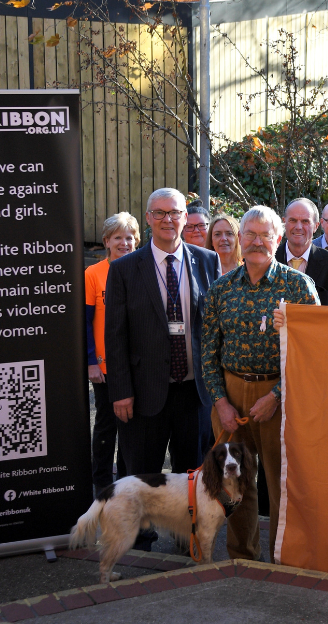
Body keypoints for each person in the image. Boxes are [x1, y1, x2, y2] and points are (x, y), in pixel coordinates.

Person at [201, 206, 320, 563]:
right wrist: (220, 401)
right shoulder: (221, 289)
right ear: (239, 240)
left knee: (282, 484)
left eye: (264, 235)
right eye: (249, 234)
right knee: (235, 484)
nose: (256, 242)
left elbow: (313, 352)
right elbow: (208, 351)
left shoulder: (298, 286)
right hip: (231, 397)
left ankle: (283, 559)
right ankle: (242, 558)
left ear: (278, 239)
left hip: (280, 396)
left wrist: (277, 395)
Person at [105, 188, 221, 547]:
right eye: (160, 213)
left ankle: (189, 539)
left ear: (186, 218)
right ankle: (140, 542)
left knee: (192, 473)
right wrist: (120, 391)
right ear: (149, 218)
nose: (168, 219)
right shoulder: (125, 268)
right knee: (143, 473)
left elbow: (214, 328)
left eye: (175, 213)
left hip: (194, 390)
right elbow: (116, 335)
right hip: (143, 392)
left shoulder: (206, 261)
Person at [85, 212, 138, 496]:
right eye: (118, 237)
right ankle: (102, 482)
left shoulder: (142, 269)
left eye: (129, 237)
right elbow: (84, 321)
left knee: (130, 427)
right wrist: (91, 361)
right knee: (106, 426)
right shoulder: (93, 274)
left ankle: (126, 482)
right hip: (104, 367)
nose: (124, 243)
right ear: (106, 241)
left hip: (135, 365)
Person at [274, 198, 328, 306]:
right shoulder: (269, 260)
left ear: (316, 226)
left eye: (305, 221)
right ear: (284, 223)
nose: (298, 227)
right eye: (293, 220)